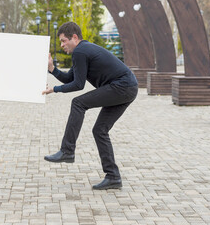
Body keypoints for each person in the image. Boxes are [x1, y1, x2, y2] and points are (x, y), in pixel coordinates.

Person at [42, 22, 138, 190]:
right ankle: (113, 177)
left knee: (78, 103)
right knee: (100, 130)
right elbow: (70, 79)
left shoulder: (80, 51)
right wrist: (52, 69)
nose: (62, 45)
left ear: (74, 37)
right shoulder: (82, 51)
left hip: (121, 86)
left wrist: (55, 90)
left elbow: (78, 85)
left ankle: (67, 150)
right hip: (128, 87)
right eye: (61, 42)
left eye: (64, 41)